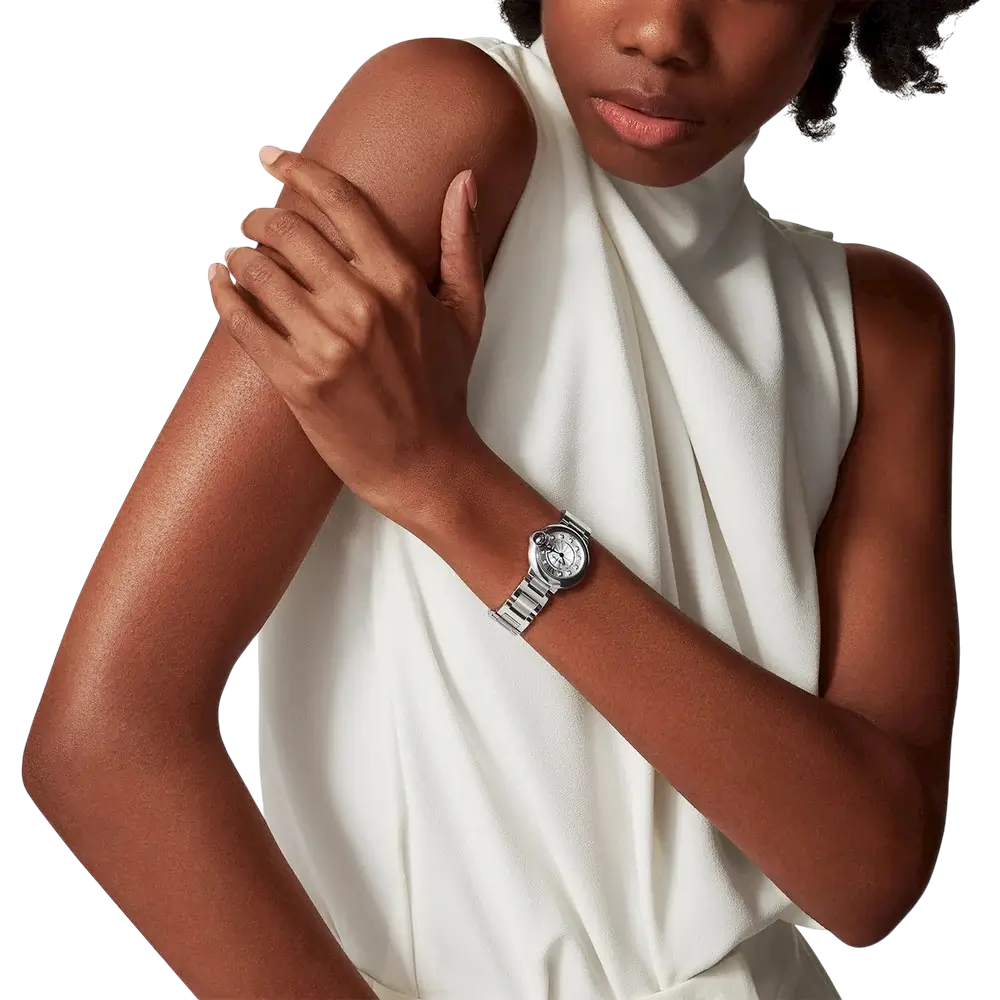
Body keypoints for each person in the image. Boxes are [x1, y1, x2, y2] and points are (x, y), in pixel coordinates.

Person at [23, 3, 965, 998]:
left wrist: (441, 479)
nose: (661, 31)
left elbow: (866, 879)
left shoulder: (876, 328)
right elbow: (107, 739)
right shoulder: (447, 119)